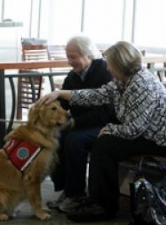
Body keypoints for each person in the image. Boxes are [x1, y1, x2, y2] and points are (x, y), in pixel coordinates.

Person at [37, 41, 166, 222]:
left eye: (111, 64)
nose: (107, 68)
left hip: (165, 141)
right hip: (148, 135)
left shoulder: (142, 85)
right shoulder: (125, 81)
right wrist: (59, 94)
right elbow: (95, 95)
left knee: (106, 144)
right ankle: (96, 200)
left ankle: (103, 206)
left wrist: (109, 128)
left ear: (121, 65)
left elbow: (133, 130)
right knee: (105, 142)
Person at [46, 35, 115, 213]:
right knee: (55, 137)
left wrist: (76, 122)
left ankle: (76, 194)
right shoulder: (73, 76)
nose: (69, 61)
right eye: (68, 57)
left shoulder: (105, 72)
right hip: (83, 123)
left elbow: (105, 111)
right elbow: (64, 104)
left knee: (74, 140)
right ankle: (66, 190)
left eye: (73, 57)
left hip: (106, 124)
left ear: (88, 55)